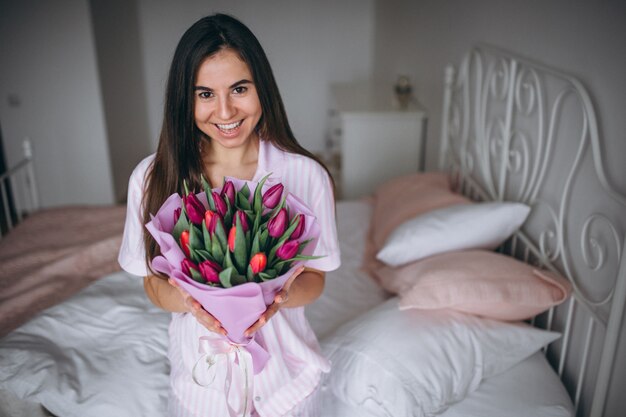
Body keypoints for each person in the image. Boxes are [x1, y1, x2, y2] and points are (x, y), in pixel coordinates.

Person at [117, 13, 340, 417]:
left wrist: (282, 294)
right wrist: (192, 301)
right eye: (204, 94)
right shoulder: (152, 178)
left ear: (263, 89)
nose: (224, 111)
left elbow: (317, 280)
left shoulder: (306, 175)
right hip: (201, 386)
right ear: (185, 99)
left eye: (239, 88)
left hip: (288, 384)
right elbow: (153, 285)